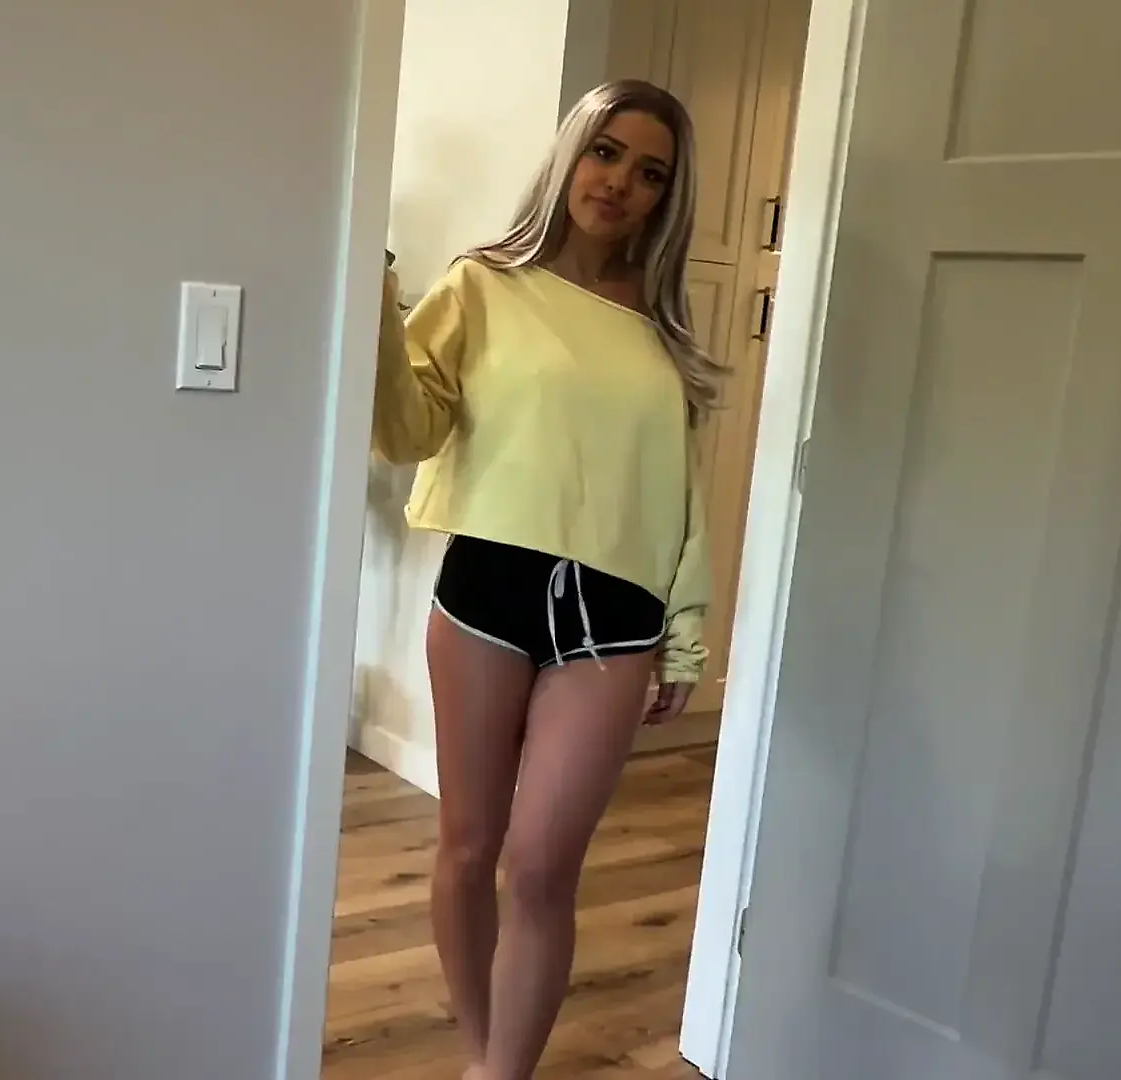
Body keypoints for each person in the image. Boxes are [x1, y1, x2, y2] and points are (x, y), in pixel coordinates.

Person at [371, 79, 720, 1080]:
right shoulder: (482, 285)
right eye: (606, 153)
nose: (620, 183)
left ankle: (502, 1074)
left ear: (666, 198)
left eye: (650, 173)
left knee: (541, 867)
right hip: (486, 594)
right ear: (571, 155)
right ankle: (483, 1058)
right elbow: (407, 429)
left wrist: (686, 634)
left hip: (615, 619)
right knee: (468, 846)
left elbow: (682, 492)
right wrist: (373, 294)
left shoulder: (660, 327)